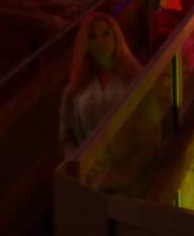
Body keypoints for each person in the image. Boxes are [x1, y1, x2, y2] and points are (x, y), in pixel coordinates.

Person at [59, 12, 160, 191]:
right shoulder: (75, 90)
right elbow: (67, 136)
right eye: (92, 36)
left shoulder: (135, 80)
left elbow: (149, 134)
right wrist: (82, 168)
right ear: (85, 44)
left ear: (117, 37)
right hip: (91, 180)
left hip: (134, 179)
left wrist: (126, 174)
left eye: (106, 34)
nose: (100, 41)